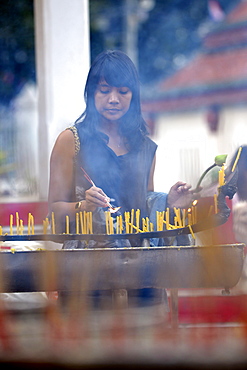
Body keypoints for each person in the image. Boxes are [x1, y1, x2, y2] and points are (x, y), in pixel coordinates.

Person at [48, 50, 193, 310]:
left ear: (133, 95)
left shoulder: (145, 147)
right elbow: (54, 210)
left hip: (141, 268)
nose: (113, 99)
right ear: (91, 93)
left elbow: (144, 205)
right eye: (104, 90)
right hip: (87, 271)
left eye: (123, 91)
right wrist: (84, 207)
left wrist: (168, 203)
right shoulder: (71, 141)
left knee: (145, 344)